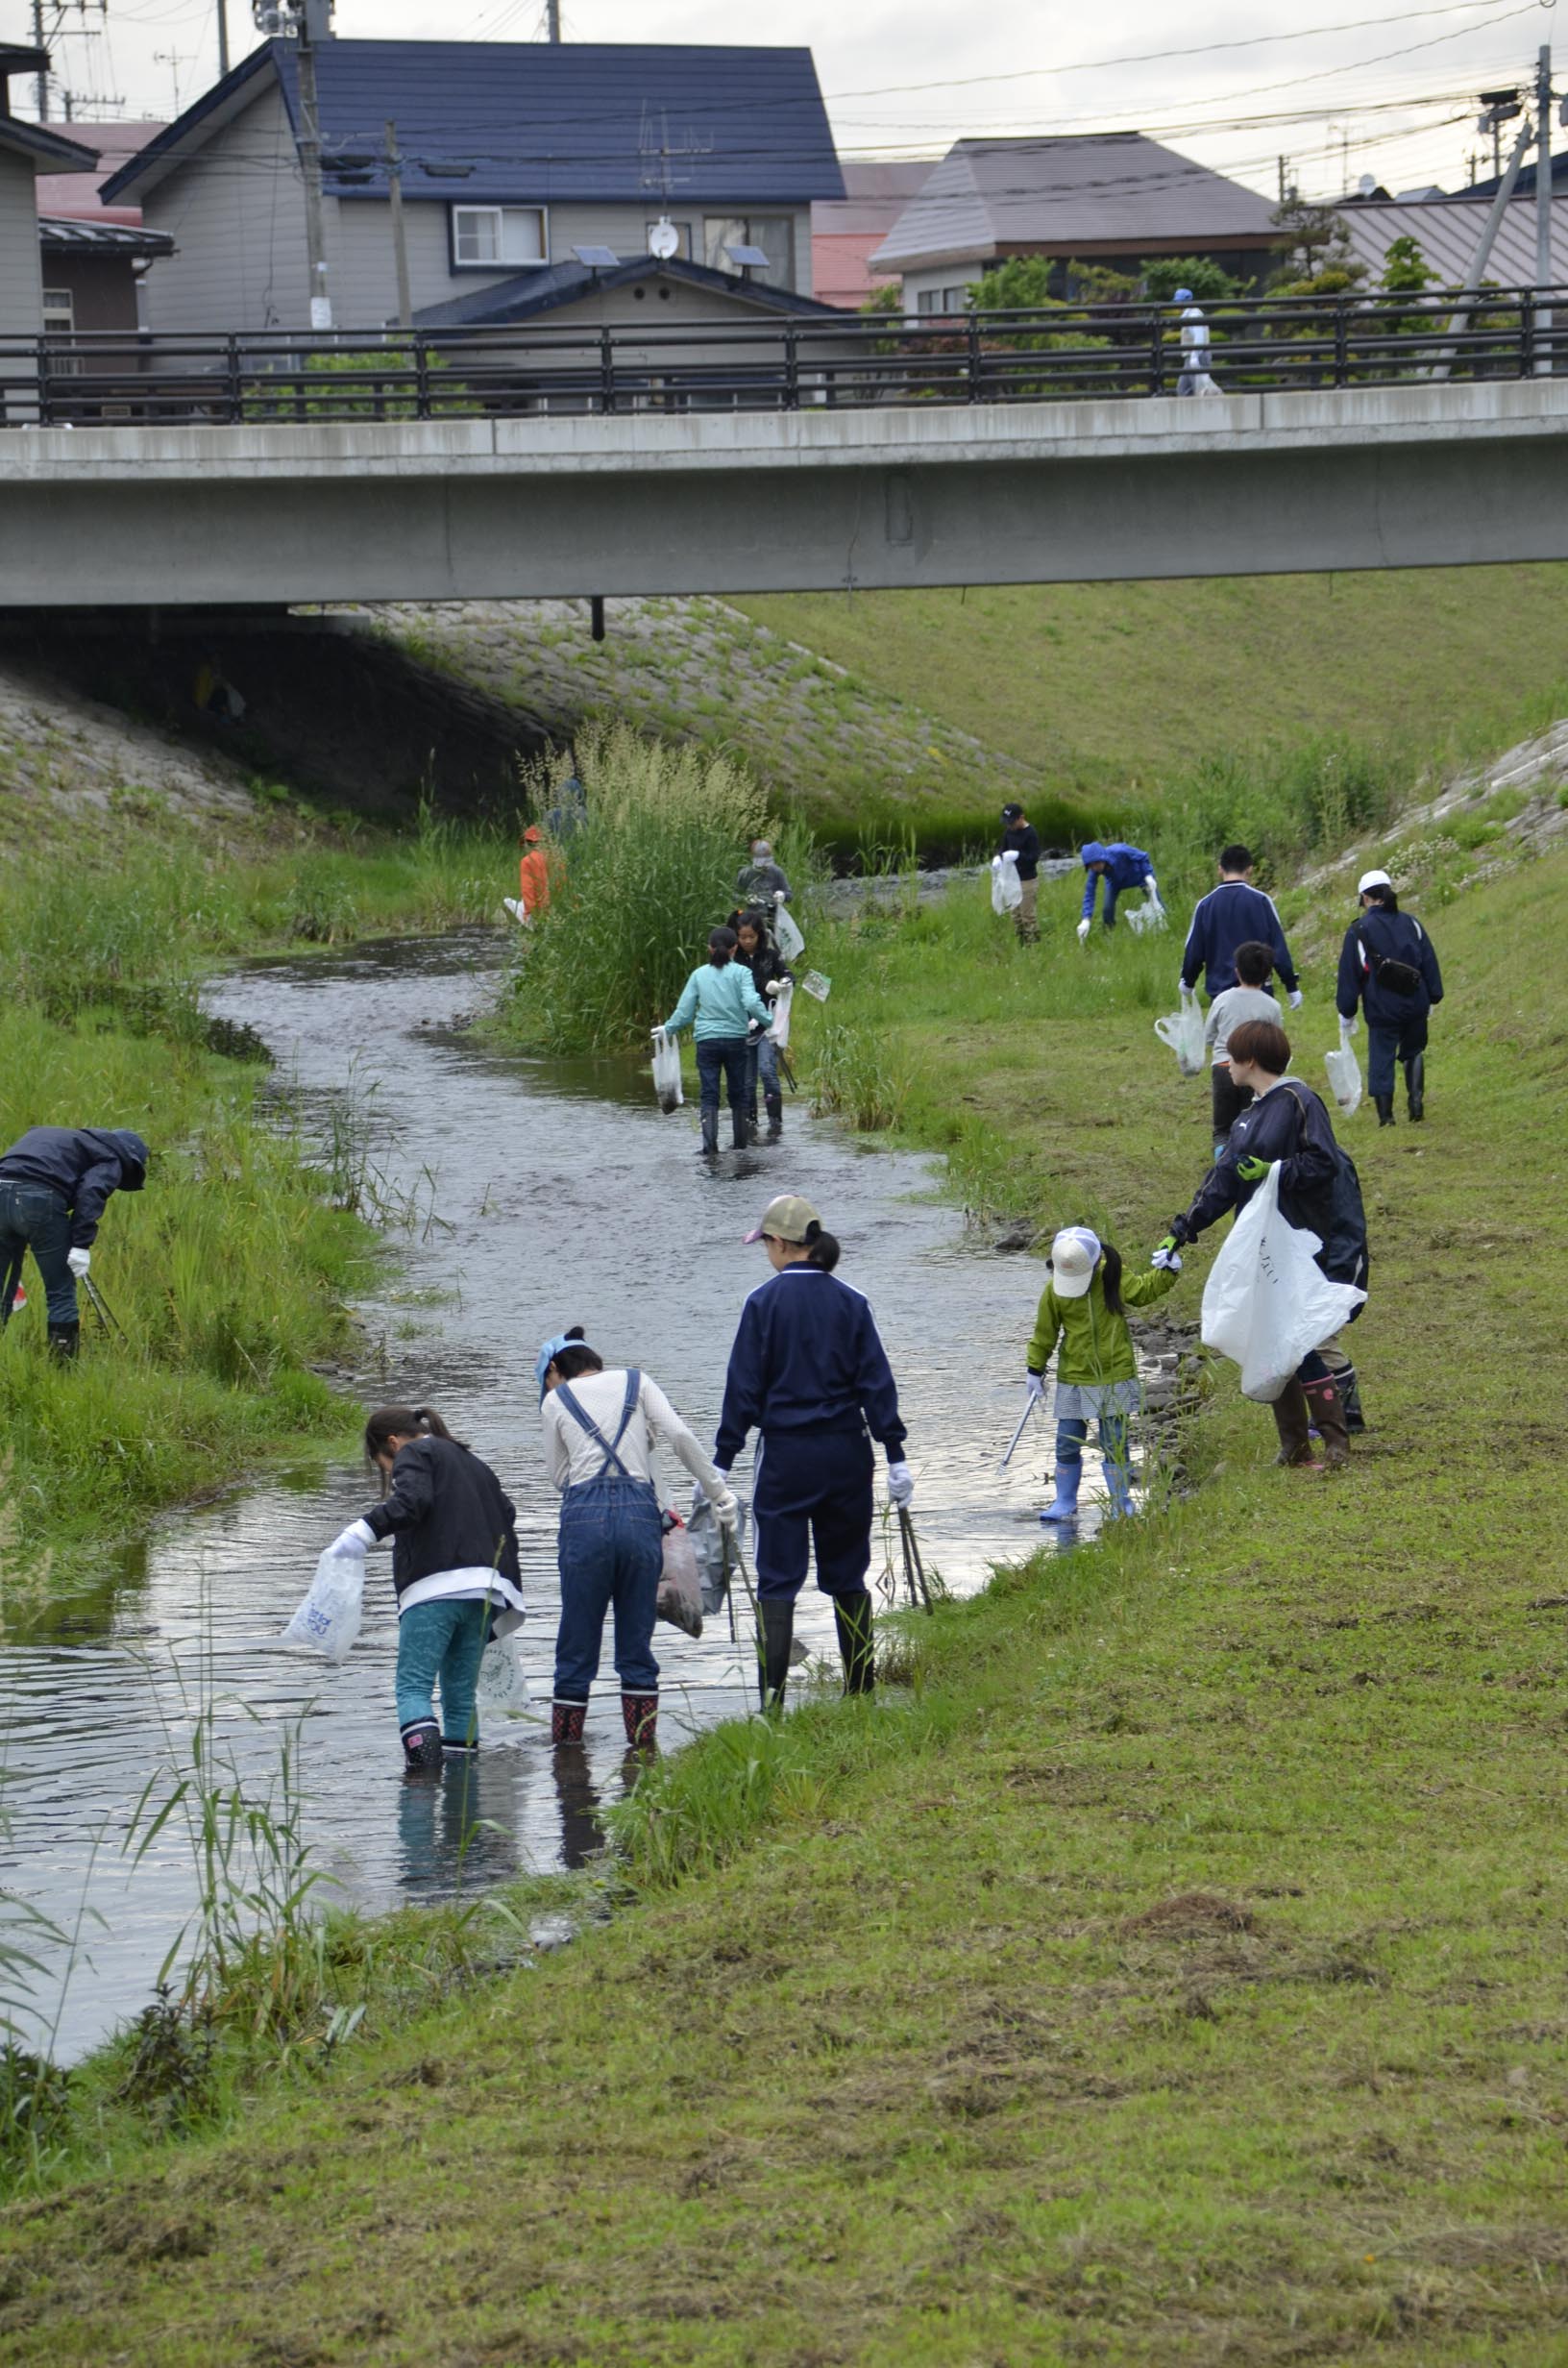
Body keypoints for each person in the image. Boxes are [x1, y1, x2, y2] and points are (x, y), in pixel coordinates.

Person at [714, 1195, 913, 1711]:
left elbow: (742, 1390)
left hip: (784, 1456)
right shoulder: (852, 1301)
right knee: (847, 1573)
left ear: (781, 1243)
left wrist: (721, 1462)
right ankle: (860, 1692)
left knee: (778, 1578)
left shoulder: (762, 1303)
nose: (766, 1254)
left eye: (766, 1245)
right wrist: (895, 1453)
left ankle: (772, 1704)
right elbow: (877, 1382)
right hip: (847, 1453)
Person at [1158, 1019, 1365, 1472]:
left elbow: (1323, 1162)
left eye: (1231, 1055)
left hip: (1299, 1240)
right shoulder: (1248, 1115)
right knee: (1272, 1337)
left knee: (1298, 1338)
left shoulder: (1299, 1100)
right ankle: (1295, 1447)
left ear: (1250, 1060)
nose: (1225, 1064)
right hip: (1259, 1242)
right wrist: (1182, 1230)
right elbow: (1223, 1181)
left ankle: (1334, 1443)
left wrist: (1274, 1171)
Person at [537, 1327, 738, 1755]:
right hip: (638, 1520)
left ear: (555, 1368)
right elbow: (681, 1437)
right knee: (636, 1645)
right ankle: (643, 1756)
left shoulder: (555, 1401)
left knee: (576, 1644)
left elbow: (560, 1478)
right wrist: (719, 1494)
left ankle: (567, 1764)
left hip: (584, 1524)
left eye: (546, 1379)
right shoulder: (637, 1381)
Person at [327, 1407, 525, 1777]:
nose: (390, 1473)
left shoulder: (414, 1453)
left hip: (434, 1589)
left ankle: (420, 1789)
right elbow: (507, 1513)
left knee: (413, 1686)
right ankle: (461, 1802)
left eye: (385, 1466)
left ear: (393, 1443)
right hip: (486, 1594)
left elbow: (412, 1502)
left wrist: (363, 1531)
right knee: (460, 1697)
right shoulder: (473, 1461)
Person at [1029, 1226, 1181, 1525]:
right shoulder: (1054, 1290)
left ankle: (1120, 1501)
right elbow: (1044, 1333)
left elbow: (1143, 1291)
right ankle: (1065, 1500)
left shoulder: (1114, 1277)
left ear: (1096, 1261)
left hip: (1116, 1373)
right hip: (1074, 1376)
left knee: (1115, 1441)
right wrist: (1034, 1369)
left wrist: (1168, 1272)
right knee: (1067, 1440)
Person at [0, 1125, 148, 1359]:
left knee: (3, 1288)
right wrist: (81, 1245)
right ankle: (63, 1370)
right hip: (39, 1200)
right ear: (129, 1159)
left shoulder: (61, 1138)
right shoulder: (111, 1156)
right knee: (60, 1292)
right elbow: (91, 1191)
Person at [1335, 868, 1443, 1127]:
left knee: (1381, 1058)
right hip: (1416, 1002)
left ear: (1364, 897)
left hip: (1382, 1007)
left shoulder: (1359, 931)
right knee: (1414, 1050)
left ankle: (1386, 1118)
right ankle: (1416, 1102)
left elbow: (1350, 976)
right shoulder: (1412, 923)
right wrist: (1433, 997)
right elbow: (1428, 961)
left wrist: (1346, 1011)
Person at [661, 925, 775, 1156]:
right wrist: (769, 1020)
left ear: (709, 949)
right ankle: (740, 1146)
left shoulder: (698, 974)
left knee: (709, 1093)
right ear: (735, 948)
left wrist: (668, 1029)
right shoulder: (742, 973)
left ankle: (709, 1148)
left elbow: (684, 1012)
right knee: (738, 1093)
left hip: (707, 1042)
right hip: (735, 1041)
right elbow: (752, 1004)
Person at [1180, 844, 1300, 1003]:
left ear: (1220, 869)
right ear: (1250, 869)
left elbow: (1194, 951)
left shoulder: (1205, 905)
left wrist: (1188, 981)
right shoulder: (1262, 901)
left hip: (1220, 994)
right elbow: (1278, 947)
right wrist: (1291, 985)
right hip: (1259, 991)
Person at [1203, 940, 1284, 1158]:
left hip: (1223, 1066)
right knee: (1251, 1122)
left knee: (1222, 1128)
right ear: (1267, 975)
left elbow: (1209, 1035)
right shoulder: (1272, 1006)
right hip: (1255, 1071)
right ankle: (1248, 1160)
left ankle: (1222, 1162)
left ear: (1237, 971)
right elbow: (1274, 1042)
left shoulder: (1223, 999)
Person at [730, 905, 793, 1142]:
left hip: (768, 1024)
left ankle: (775, 1122)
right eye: (742, 937)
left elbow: (788, 974)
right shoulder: (733, 960)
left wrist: (783, 982)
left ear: (760, 936)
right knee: (746, 1080)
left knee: (767, 1070)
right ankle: (750, 1122)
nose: (746, 941)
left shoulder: (770, 956)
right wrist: (764, 983)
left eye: (751, 937)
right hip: (741, 1024)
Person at [1076, 840, 1163, 938]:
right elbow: (1089, 892)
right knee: (1107, 909)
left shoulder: (1120, 850)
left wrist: (1148, 875)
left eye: (1097, 863)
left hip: (1140, 876)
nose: (1096, 868)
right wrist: (1086, 919)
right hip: (1114, 883)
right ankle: (1109, 935)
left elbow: (1142, 856)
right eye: (1091, 865)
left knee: (1158, 904)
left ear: (1103, 858)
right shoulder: (1094, 870)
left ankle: (1164, 927)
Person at [998, 802, 1042, 944]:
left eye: (1011, 823)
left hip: (1027, 880)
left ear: (1021, 818)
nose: (1009, 826)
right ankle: (1022, 944)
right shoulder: (1008, 832)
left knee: (1027, 916)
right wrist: (999, 859)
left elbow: (1034, 857)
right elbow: (1003, 850)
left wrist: (1018, 855)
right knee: (1015, 915)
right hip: (1012, 879)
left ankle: (1034, 945)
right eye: (1007, 823)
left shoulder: (1031, 833)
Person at [1173, 288, 1215, 396]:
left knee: (1199, 390)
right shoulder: (1188, 314)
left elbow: (1199, 336)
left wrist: (1195, 355)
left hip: (1197, 355)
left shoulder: (1194, 314)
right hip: (1192, 356)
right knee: (1184, 389)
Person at [736, 839, 791, 908]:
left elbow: (789, 895)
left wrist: (783, 895)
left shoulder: (777, 872)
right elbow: (734, 895)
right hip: (750, 912)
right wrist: (745, 898)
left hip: (772, 912)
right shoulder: (744, 873)